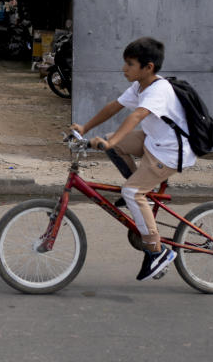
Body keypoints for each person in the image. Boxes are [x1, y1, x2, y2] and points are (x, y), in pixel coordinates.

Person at [70, 37, 192, 281]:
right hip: (153, 142)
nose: (124, 69)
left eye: (130, 64)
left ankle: (157, 252)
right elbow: (113, 107)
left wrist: (112, 141)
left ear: (148, 67)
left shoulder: (159, 90)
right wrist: (85, 127)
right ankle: (140, 188)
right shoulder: (139, 86)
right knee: (111, 143)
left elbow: (136, 116)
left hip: (169, 153)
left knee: (131, 192)